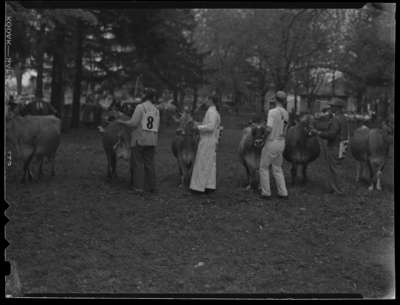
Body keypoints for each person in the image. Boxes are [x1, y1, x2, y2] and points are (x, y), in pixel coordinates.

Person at [117, 88, 160, 194]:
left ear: (145, 96)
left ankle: (138, 188)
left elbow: (133, 123)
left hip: (140, 140)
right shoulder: (156, 110)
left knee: (138, 163)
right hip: (152, 140)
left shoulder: (140, 107)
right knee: (150, 164)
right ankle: (152, 187)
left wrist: (122, 122)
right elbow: (157, 126)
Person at [310, 97, 349, 195]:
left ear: (338, 108)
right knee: (337, 166)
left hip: (335, 145)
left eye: (332, 106)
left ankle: (339, 190)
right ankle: (334, 188)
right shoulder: (343, 118)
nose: (330, 108)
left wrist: (318, 132)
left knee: (335, 168)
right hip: (342, 145)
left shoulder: (336, 119)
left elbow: (331, 134)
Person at [259, 91, 289, 200]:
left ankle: (266, 192)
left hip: (272, 141)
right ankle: (283, 192)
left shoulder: (272, 112)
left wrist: (263, 138)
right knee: (277, 168)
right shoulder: (286, 113)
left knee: (263, 167)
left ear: (275, 99)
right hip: (281, 142)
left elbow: (269, 128)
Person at [190, 96, 221, 193]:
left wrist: (198, 127)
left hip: (207, 140)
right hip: (211, 140)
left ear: (211, 100)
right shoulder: (214, 112)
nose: (205, 101)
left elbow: (211, 127)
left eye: (206, 99)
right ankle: (209, 185)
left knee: (203, 162)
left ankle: (198, 187)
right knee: (210, 163)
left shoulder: (211, 112)